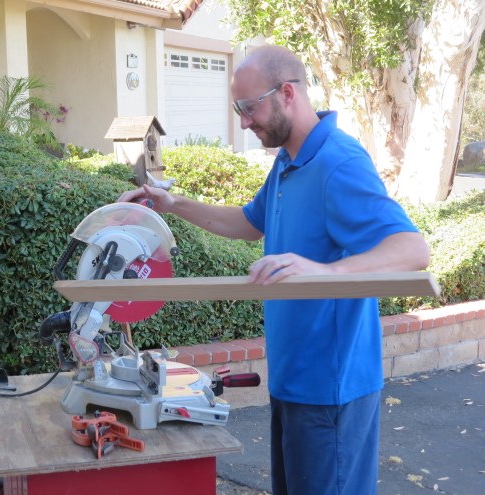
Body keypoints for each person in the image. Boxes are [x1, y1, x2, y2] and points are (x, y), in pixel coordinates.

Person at [119, 45, 430, 495]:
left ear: (287, 93)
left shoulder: (338, 162)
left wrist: (324, 271)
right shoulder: (288, 160)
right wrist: (173, 204)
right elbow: (249, 223)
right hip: (292, 379)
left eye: (250, 108)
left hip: (331, 390)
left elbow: (412, 249)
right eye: (238, 110)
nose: (245, 122)